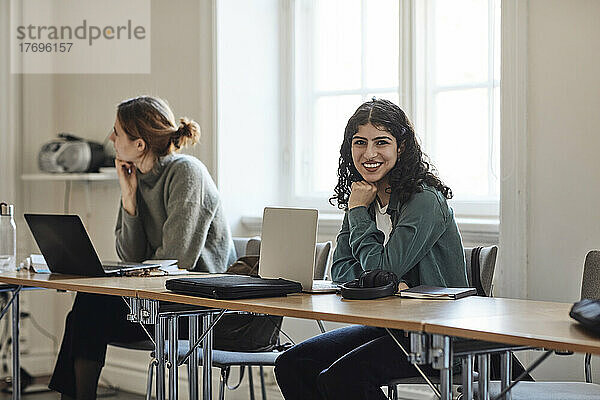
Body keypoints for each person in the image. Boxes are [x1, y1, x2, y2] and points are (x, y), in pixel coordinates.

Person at [274, 98, 468, 400]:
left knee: (343, 378)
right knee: (292, 364)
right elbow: (339, 271)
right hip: (389, 326)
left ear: (401, 147)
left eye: (381, 142)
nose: (369, 153)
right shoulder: (363, 198)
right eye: (360, 142)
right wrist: (382, 282)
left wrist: (380, 273)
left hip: (435, 334)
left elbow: (383, 269)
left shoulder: (424, 201)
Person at [49, 96, 236, 399]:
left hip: (197, 309)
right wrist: (129, 198)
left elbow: (178, 261)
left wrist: (132, 275)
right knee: (87, 308)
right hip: (156, 303)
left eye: (117, 132)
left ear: (139, 144)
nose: (111, 138)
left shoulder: (187, 173)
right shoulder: (137, 177)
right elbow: (131, 256)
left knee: (89, 308)